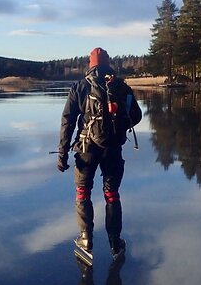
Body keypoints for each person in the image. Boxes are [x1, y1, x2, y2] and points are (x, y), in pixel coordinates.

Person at [57, 47, 142, 263]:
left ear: (90, 64)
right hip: (113, 148)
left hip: (86, 148)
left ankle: (86, 239)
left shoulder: (80, 86)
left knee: (83, 191)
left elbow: (67, 122)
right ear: (108, 63)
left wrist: (63, 153)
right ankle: (115, 241)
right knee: (111, 193)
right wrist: (119, 125)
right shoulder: (121, 87)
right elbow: (137, 115)